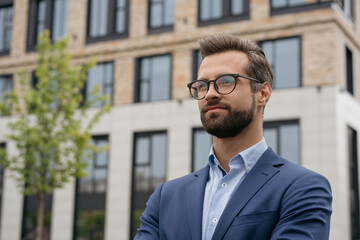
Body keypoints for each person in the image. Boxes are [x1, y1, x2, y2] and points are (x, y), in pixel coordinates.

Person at [134, 34, 332, 240]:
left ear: (263, 93)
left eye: (226, 81)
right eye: (202, 85)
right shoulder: (165, 197)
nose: (210, 93)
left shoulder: (303, 187)